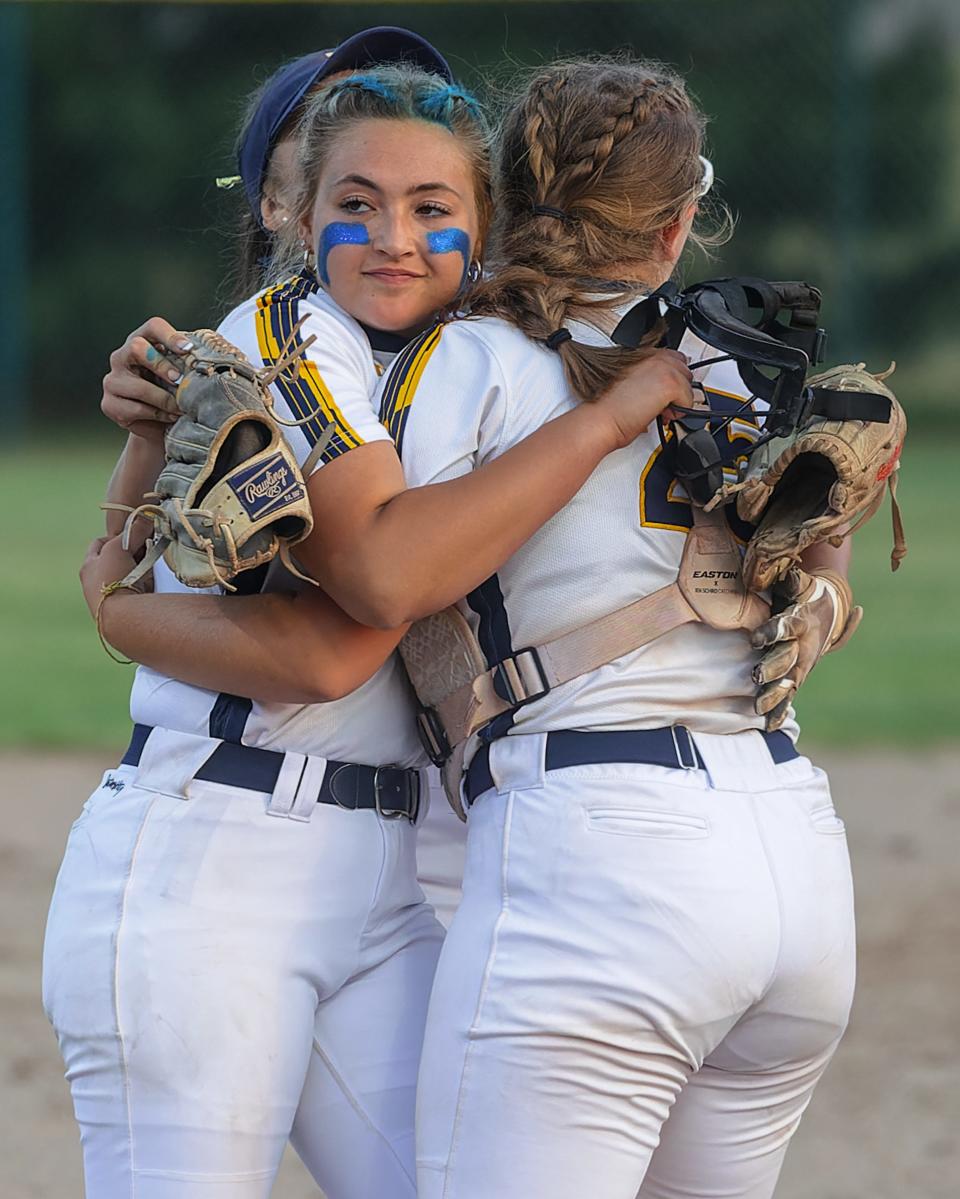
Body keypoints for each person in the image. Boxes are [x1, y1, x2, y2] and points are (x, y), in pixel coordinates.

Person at [49, 64, 691, 1199]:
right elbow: (340, 643)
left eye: (434, 205)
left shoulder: (467, 351)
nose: (394, 232)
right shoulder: (286, 333)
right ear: (289, 206)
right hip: (215, 856)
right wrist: (116, 606)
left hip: (380, 875)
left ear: (483, 221)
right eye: (354, 196)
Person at [372, 58, 856, 1199]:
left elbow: (375, 569)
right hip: (792, 849)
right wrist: (828, 586)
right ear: (681, 222)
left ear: (502, 199)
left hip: (598, 862)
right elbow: (816, 539)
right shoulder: (738, 360)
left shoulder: (467, 356)